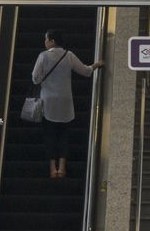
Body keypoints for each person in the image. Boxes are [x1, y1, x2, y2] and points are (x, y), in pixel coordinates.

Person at [31, 29, 102, 179]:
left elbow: (35, 79)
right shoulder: (68, 55)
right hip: (65, 102)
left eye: (46, 39)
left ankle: (52, 168)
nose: (45, 42)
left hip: (48, 101)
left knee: (50, 134)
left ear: (52, 41)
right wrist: (96, 64)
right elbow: (85, 71)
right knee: (64, 134)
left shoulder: (43, 56)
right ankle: (62, 167)